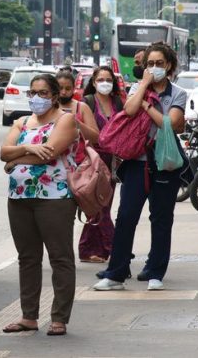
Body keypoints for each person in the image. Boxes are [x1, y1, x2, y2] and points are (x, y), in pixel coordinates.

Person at [93, 42, 189, 292]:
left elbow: (172, 124)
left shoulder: (177, 93)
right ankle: (116, 272)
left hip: (165, 162)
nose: (154, 68)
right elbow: (129, 109)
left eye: (159, 64)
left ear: (168, 65)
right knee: (126, 217)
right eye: (149, 64)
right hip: (136, 162)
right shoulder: (138, 87)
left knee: (161, 218)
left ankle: (156, 272)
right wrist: (145, 87)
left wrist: (148, 106)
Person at [0, 74, 78, 336]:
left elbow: (52, 153)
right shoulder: (22, 121)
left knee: (60, 257)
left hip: (54, 198)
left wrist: (17, 159)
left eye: (43, 93)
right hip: (20, 196)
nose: (36, 98)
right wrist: (32, 150)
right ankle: (29, 316)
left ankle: (59, 318)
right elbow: (3, 152)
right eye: (32, 92)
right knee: (28, 258)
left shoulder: (65, 119)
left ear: (55, 95)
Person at [77, 65, 123, 263]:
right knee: (98, 206)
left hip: (113, 160)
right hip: (93, 159)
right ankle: (114, 246)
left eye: (108, 79)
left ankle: (91, 249)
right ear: (94, 83)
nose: (105, 83)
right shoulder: (87, 102)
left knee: (104, 205)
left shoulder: (119, 102)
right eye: (100, 79)